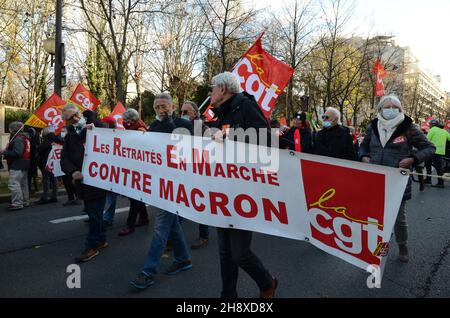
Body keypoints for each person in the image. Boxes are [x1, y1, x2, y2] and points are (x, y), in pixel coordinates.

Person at [208, 72, 278, 298]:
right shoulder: (220, 113)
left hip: (244, 188)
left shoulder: (245, 106)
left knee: (239, 253)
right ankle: (228, 296)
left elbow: (265, 138)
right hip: (223, 187)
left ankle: (267, 283)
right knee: (224, 252)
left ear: (223, 89)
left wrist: (229, 135)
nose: (210, 92)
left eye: (212, 87)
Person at [359, 94, 435, 263]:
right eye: (387, 107)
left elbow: (429, 148)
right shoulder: (373, 126)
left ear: (400, 109)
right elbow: (363, 146)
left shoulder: (408, 127)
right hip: (375, 180)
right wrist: (364, 156)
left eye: (395, 108)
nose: (391, 110)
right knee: (377, 219)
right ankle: (380, 247)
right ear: (380, 109)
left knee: (398, 218)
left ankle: (402, 245)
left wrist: (413, 159)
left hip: (397, 182)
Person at [130, 93, 193, 290]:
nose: (160, 110)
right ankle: (183, 259)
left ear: (172, 106)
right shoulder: (153, 126)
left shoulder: (182, 124)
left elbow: (183, 147)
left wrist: (169, 121)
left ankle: (148, 272)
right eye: (157, 107)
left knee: (160, 227)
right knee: (171, 224)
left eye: (164, 106)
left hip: (176, 183)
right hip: (159, 182)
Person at [60, 104, 108, 263]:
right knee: (92, 212)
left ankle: (91, 246)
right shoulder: (69, 136)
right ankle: (101, 239)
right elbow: (64, 159)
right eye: (69, 118)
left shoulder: (98, 126)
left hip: (98, 180)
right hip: (82, 182)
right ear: (66, 122)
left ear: (80, 112)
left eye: (75, 115)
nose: (74, 119)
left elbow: (113, 140)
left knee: (94, 214)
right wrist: (73, 171)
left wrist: (97, 131)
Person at [180, 101, 211, 249]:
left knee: (201, 204)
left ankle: (203, 236)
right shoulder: (178, 127)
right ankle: (174, 237)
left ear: (195, 113)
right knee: (179, 202)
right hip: (184, 171)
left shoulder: (202, 128)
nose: (183, 115)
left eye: (186, 112)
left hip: (199, 172)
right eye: (181, 112)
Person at [117, 109, 150, 236]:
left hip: (139, 168)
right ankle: (143, 218)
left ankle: (129, 225)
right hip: (134, 167)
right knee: (135, 196)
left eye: (125, 120)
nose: (124, 123)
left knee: (135, 197)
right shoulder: (134, 128)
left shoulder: (140, 130)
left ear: (131, 120)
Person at [1, 122, 30, 211]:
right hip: (25, 163)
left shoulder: (18, 139)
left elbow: (17, 153)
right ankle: (25, 200)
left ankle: (17, 203)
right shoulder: (24, 137)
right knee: (23, 184)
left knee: (14, 184)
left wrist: (4, 152)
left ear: (13, 129)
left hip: (17, 164)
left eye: (10, 128)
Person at [100, 115, 120, 227]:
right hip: (105, 170)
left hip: (113, 171)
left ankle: (108, 218)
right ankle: (102, 216)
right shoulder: (103, 135)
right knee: (106, 196)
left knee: (111, 196)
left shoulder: (117, 136)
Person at [36, 126, 59, 204]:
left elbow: (40, 149)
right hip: (54, 161)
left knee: (46, 179)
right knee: (54, 178)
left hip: (46, 161)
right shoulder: (56, 138)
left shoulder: (48, 139)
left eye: (44, 130)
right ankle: (54, 196)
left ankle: (45, 197)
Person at [425, 119, 450, 188]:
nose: (429, 125)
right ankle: (440, 182)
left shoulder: (432, 130)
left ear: (433, 125)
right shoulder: (444, 131)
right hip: (440, 152)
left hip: (431, 151)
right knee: (439, 168)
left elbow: (427, 140)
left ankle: (428, 180)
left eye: (430, 124)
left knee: (428, 165)